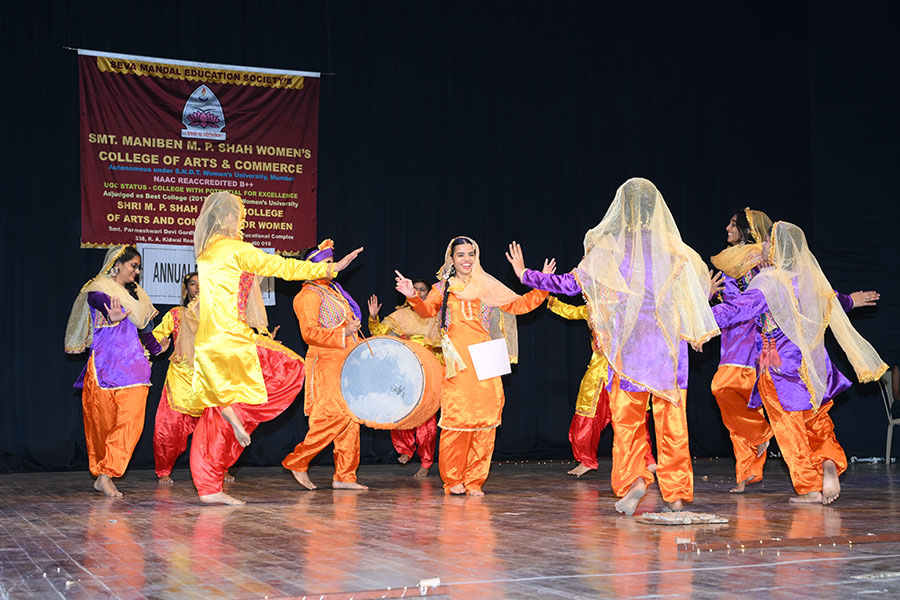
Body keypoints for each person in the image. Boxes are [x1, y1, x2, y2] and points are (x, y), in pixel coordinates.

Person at [510, 178, 719, 514]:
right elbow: (694, 296)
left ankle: (634, 479)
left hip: (629, 350)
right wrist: (695, 333)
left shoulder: (609, 250)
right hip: (667, 351)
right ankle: (677, 494)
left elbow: (569, 285)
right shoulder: (675, 251)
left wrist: (526, 275)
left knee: (628, 422)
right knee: (672, 424)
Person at [187, 192, 362, 505]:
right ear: (228, 218)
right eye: (239, 216)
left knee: (214, 416)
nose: (242, 222)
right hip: (233, 338)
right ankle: (238, 415)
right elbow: (281, 267)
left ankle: (210, 485)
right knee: (291, 368)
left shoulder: (207, 251)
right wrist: (328, 269)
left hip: (210, 340)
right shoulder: (235, 249)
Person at [711, 221, 887, 504]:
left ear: (776, 248)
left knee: (788, 427)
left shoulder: (768, 281)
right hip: (812, 365)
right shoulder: (807, 279)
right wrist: (852, 301)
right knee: (817, 420)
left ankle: (809, 487)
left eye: (767, 241)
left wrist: (695, 319)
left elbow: (736, 310)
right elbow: (831, 302)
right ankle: (829, 461)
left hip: (778, 366)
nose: (762, 245)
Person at [395, 236, 550, 495]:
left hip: (486, 357)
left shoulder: (487, 285)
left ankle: (475, 480)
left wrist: (542, 284)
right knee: (457, 420)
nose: (466, 259)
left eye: (471, 254)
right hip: (457, 360)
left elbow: (521, 305)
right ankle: (453, 479)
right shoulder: (443, 287)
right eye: (461, 255)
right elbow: (426, 311)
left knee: (486, 421)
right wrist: (412, 295)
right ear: (452, 259)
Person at [65, 245, 170, 497]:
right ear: (117, 264)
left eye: (139, 267)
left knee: (131, 423)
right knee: (103, 425)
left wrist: (157, 348)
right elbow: (100, 302)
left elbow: (146, 330)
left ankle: (107, 474)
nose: (137, 271)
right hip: (105, 368)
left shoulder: (138, 296)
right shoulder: (99, 289)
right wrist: (111, 312)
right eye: (133, 266)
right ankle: (103, 472)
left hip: (135, 369)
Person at [282, 240, 369, 491]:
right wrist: (343, 332)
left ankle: (345, 476)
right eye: (327, 263)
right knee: (333, 416)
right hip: (326, 362)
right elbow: (309, 333)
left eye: (333, 261)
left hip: (347, 360)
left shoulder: (334, 291)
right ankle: (298, 460)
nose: (333, 266)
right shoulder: (307, 295)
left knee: (351, 419)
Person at [545, 295, 656, 478]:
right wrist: (547, 298)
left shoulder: (628, 308)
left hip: (625, 372)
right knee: (586, 416)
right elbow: (569, 311)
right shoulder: (592, 309)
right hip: (598, 375)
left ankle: (647, 459)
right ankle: (586, 460)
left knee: (634, 416)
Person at [151, 272, 234, 485]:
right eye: (193, 284)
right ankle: (164, 470)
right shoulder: (176, 315)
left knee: (216, 429)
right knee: (170, 428)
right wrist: (157, 347)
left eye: (202, 283)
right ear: (185, 289)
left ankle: (220, 469)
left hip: (209, 378)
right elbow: (155, 338)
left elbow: (233, 342)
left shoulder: (218, 316)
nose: (197, 287)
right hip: (180, 379)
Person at [368, 279, 442, 477]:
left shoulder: (436, 316)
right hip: (405, 369)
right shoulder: (400, 315)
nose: (418, 292)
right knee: (401, 411)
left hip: (429, 370)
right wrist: (373, 317)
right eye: (414, 289)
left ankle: (426, 462)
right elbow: (378, 334)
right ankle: (406, 448)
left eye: (422, 290)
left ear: (429, 294)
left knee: (426, 419)